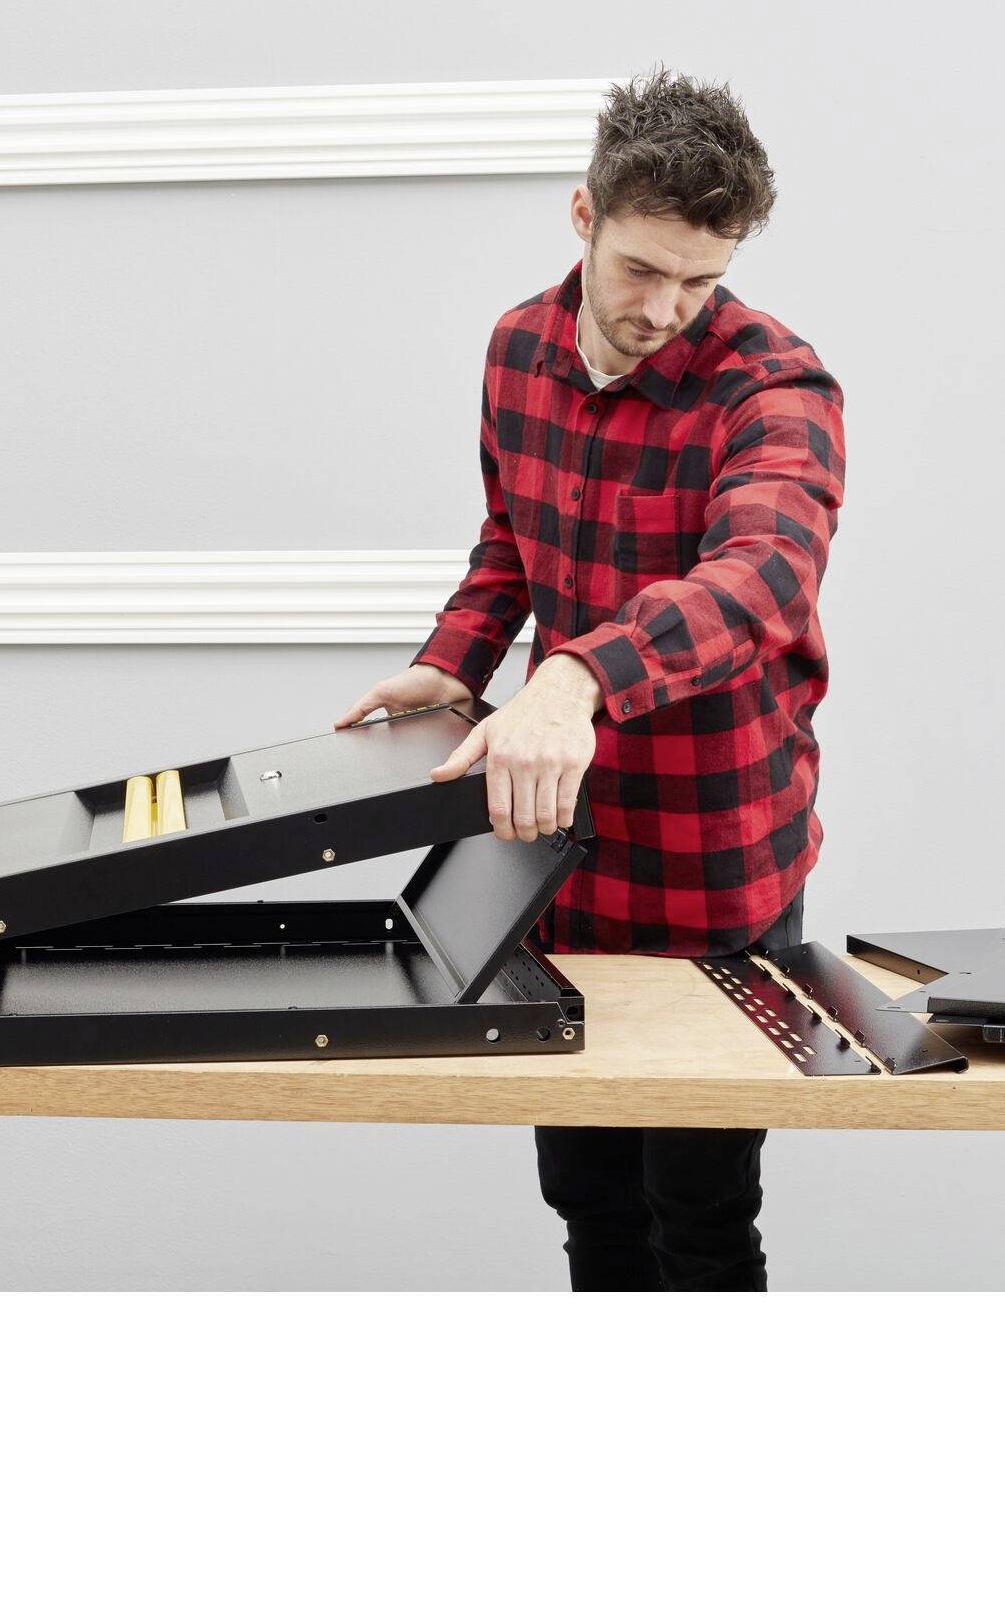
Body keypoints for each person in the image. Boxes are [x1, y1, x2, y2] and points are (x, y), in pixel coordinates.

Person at [334, 66, 845, 1291]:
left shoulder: (775, 387)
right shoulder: (516, 347)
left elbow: (759, 574)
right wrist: (450, 659)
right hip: (553, 853)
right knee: (588, 1201)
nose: (666, 306)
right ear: (583, 216)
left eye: (700, 280)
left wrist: (571, 676)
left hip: (716, 864)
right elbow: (510, 537)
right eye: (640, 269)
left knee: (702, 1207)